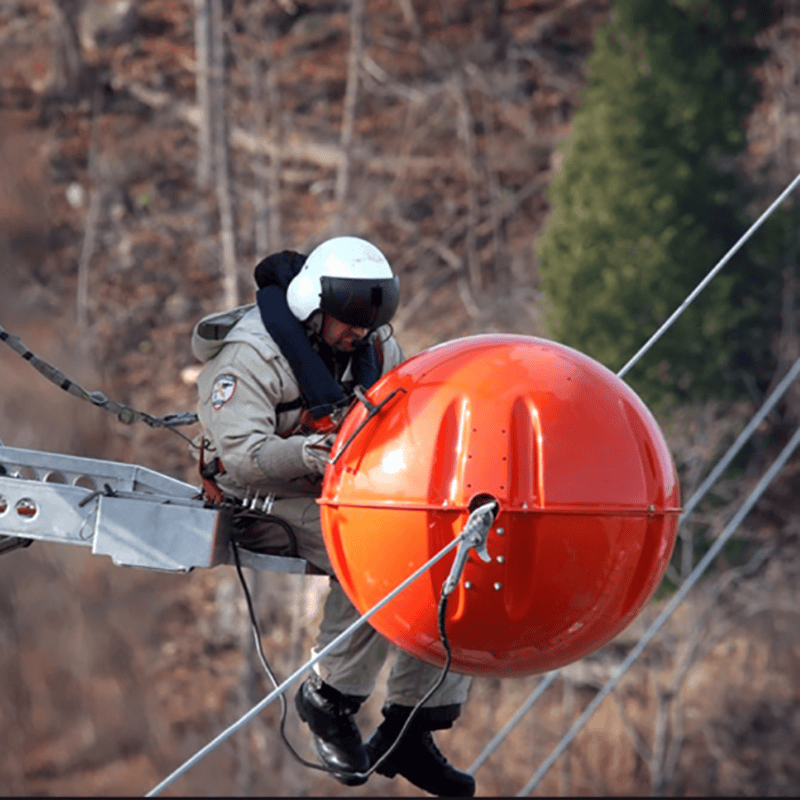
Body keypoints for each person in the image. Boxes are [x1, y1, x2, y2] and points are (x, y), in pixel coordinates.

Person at [190, 236, 475, 797]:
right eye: (347, 321)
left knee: (452, 549)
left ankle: (412, 725)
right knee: (385, 554)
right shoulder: (251, 356)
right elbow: (243, 458)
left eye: (368, 321)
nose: (359, 333)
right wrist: (307, 454)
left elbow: (405, 415)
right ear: (312, 311)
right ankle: (330, 699)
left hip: (343, 484)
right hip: (261, 493)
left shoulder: (373, 349)